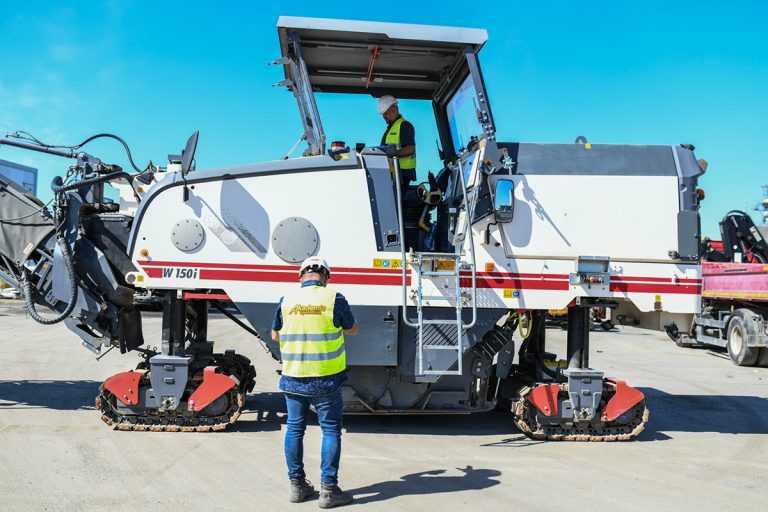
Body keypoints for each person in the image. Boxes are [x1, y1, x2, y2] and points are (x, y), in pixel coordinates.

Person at [271, 256, 359, 508]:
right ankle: (329, 491)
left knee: (294, 429)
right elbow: (352, 329)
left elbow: (275, 335)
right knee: (330, 430)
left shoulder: (286, 300)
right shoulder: (334, 298)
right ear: (326, 277)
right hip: (326, 380)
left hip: (294, 377)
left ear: (300, 277)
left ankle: (297, 486)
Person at [378, 95, 416, 187]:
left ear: (394, 108)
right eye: (383, 114)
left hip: (402, 174)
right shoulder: (391, 128)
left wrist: (391, 154)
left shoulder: (404, 125)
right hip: (393, 172)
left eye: (385, 112)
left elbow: (410, 149)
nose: (384, 116)